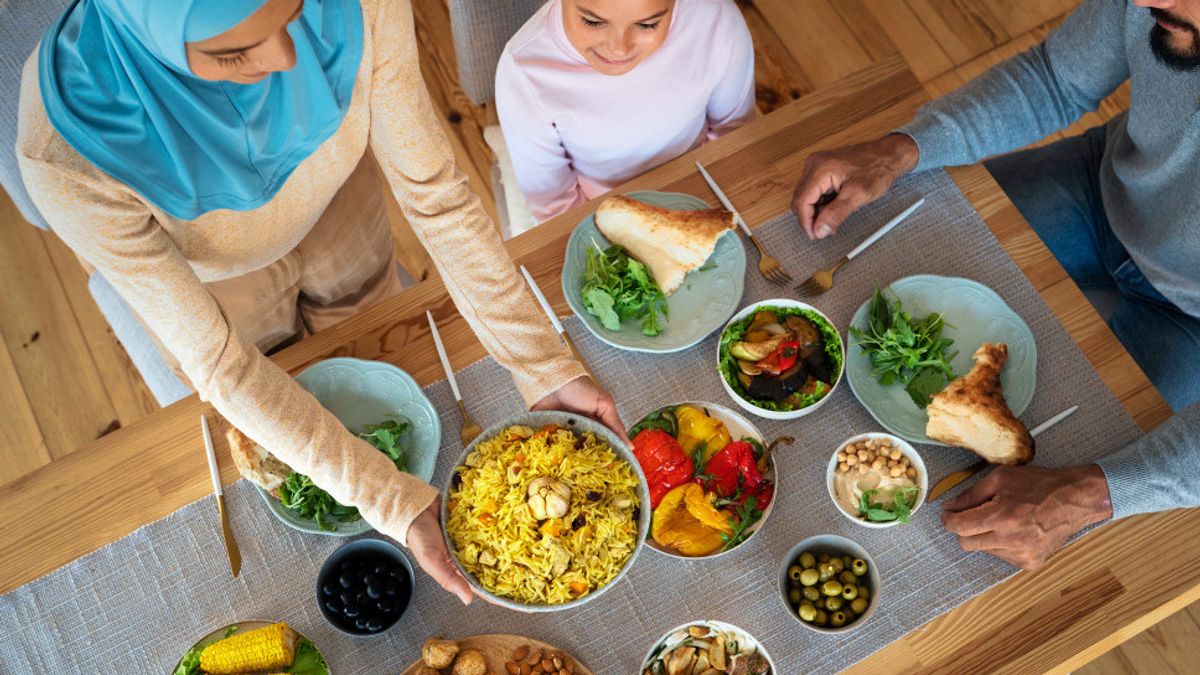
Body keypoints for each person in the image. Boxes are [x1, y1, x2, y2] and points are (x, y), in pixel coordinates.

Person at [17, 0, 625, 603]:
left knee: (380, 327)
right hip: (213, 277)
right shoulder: (63, 152)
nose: (287, 58)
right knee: (273, 389)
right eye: (233, 50)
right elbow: (226, 368)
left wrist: (541, 361)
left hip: (340, 196)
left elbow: (437, 197)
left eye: (296, 11)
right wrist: (387, 499)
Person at [789, 0, 1200, 570]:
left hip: (1190, 318)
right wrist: (898, 150)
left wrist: (1083, 496)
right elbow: (1056, 78)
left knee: (1062, 485)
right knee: (900, 227)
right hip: (1099, 186)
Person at [495, 0, 756, 223]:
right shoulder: (524, 71)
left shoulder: (716, 19)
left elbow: (734, 131)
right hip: (600, 213)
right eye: (593, 22)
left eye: (647, 25)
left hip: (704, 183)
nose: (618, 49)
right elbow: (554, 203)